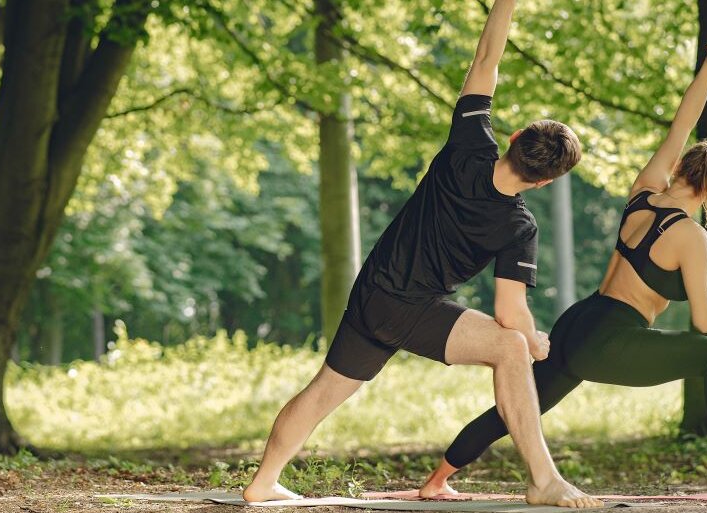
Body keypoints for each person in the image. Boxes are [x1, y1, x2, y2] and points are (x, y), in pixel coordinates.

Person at [242, 0, 603, 508]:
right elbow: (508, 312)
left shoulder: (468, 143)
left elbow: (485, 61)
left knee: (323, 389)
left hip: (372, 292)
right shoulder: (519, 225)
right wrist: (533, 339)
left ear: (516, 138)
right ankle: (543, 479)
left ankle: (264, 481)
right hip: (409, 306)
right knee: (512, 348)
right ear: (544, 180)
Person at [419, 40, 707, 500]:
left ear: (681, 167)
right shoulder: (691, 235)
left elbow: (681, 125)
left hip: (580, 320)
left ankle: (437, 480)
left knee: (519, 407)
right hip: (613, 338)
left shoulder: (645, 191)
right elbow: (703, 323)